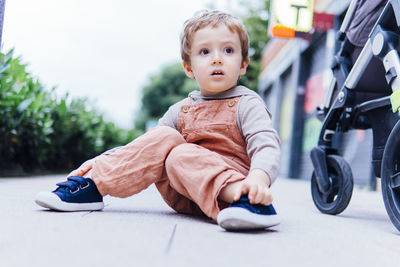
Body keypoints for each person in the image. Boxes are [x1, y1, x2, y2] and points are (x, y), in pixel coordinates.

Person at [35, 10, 281, 231]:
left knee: (180, 154)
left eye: (228, 50)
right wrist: (95, 166)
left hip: (235, 191)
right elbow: (143, 150)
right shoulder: (180, 110)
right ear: (188, 67)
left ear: (243, 64)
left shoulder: (247, 103)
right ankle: (91, 186)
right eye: (205, 52)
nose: (217, 59)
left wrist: (257, 179)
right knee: (163, 137)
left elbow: (265, 144)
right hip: (184, 193)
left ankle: (250, 203)